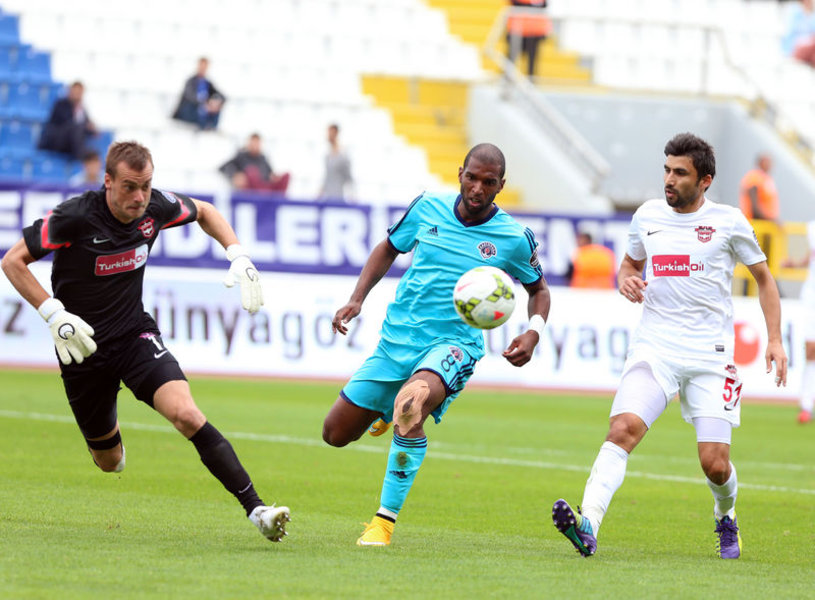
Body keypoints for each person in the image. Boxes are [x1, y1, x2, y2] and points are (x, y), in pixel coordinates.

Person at [0, 141, 290, 543]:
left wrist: (238, 254)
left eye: (146, 186)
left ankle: (257, 510)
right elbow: (12, 261)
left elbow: (206, 211)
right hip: (82, 348)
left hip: (134, 335)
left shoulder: (156, 208)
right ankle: (110, 428)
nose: (139, 197)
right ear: (108, 182)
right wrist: (53, 313)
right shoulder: (74, 217)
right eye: (130, 187)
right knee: (110, 462)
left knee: (187, 414)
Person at [551, 133, 787, 560]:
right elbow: (630, 264)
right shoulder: (647, 216)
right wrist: (626, 279)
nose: (669, 180)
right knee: (622, 430)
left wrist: (774, 339)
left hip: (711, 357)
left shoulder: (729, 222)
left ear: (705, 180)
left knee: (715, 464)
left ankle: (725, 514)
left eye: (680, 173)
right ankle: (589, 524)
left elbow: (765, 279)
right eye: (666, 170)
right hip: (655, 348)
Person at [322, 143, 551, 546]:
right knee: (335, 434)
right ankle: (386, 408)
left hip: (454, 344)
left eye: (488, 182)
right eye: (472, 178)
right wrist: (357, 299)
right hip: (398, 340)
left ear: (501, 185)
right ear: (460, 173)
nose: (477, 188)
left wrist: (533, 332)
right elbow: (388, 248)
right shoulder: (427, 207)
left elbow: (539, 290)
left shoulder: (514, 238)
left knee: (411, 405)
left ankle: (382, 524)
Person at [781, 220, 815, 424]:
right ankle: (806, 404)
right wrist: (795, 264)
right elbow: (811, 257)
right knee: (811, 349)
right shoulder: (812, 228)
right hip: (812, 295)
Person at [38, 81, 98, 160]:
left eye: (79, 93)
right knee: (76, 129)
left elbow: (85, 126)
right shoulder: (60, 104)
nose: (77, 95)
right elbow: (68, 123)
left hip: (71, 144)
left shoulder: (81, 109)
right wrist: (85, 126)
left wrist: (92, 129)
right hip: (57, 141)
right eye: (76, 92)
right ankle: (81, 159)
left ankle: (86, 158)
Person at [219, 133, 290, 194]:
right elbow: (223, 168)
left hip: (266, 189)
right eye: (253, 143)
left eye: (257, 143)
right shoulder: (241, 156)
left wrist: (274, 177)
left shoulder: (263, 158)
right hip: (251, 190)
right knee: (251, 171)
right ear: (249, 143)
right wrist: (234, 175)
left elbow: (270, 174)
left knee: (286, 175)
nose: (255, 146)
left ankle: (275, 199)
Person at [172, 57, 225, 130]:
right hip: (189, 111)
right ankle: (204, 127)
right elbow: (191, 96)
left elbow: (222, 96)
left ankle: (211, 127)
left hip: (203, 109)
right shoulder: (190, 81)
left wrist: (216, 103)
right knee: (201, 109)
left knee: (215, 107)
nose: (203, 69)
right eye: (201, 66)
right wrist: (205, 104)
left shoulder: (207, 83)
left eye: (205, 67)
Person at [506, 0, 551, 79]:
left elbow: (543, 6)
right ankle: (507, 78)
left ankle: (530, 80)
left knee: (532, 59)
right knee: (511, 57)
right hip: (517, 29)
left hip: (534, 31)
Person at [739, 154, 780, 223]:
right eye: (766, 162)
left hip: (763, 222)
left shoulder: (766, 179)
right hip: (754, 223)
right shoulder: (754, 177)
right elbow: (754, 208)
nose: (769, 165)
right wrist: (771, 220)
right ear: (760, 163)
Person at [318, 123, 354, 201]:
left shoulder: (343, 155)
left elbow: (349, 177)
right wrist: (320, 192)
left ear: (336, 133)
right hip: (327, 195)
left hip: (339, 195)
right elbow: (327, 177)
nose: (328, 136)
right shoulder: (328, 155)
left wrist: (352, 195)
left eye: (330, 133)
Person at [781, 0, 815, 68]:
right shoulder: (794, 10)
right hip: (794, 47)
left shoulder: (812, 14)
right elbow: (788, 33)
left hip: (810, 47)